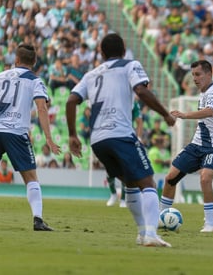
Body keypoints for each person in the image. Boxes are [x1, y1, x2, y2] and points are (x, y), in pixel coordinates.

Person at [66, 33, 176, 247]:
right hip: (120, 134)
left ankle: (143, 233)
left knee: (131, 184)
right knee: (148, 182)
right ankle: (151, 234)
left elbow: (71, 101)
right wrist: (165, 114)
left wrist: (72, 134)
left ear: (101, 52)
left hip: (98, 140)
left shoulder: (90, 74)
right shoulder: (129, 65)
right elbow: (141, 91)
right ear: (124, 50)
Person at [0, 44, 61, 230]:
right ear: (34, 62)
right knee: (31, 176)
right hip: (16, 132)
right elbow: (41, 108)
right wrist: (48, 138)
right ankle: (38, 220)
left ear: (16, 60)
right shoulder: (35, 80)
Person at [159, 60, 213, 233]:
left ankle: (209, 224)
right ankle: (161, 217)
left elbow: (211, 111)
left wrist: (185, 115)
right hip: (197, 144)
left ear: (209, 74)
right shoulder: (205, 93)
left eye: (198, 74)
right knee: (170, 178)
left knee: (205, 178)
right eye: (193, 75)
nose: (195, 78)